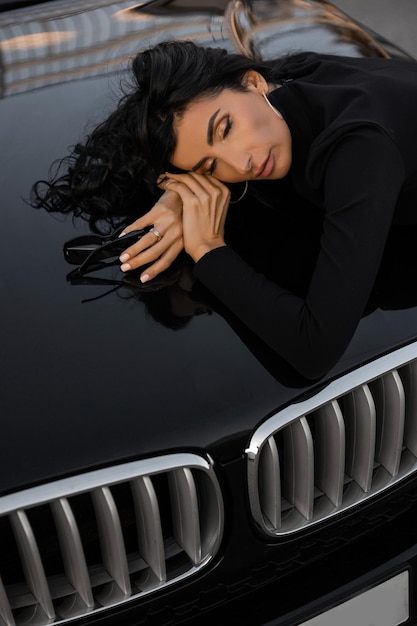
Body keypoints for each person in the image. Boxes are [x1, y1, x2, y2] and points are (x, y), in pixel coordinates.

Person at [32, 40, 417, 379]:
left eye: (225, 128)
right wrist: (177, 195)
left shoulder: (360, 149)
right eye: (209, 168)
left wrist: (208, 250)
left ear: (252, 82)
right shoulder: (287, 80)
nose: (241, 164)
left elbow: (311, 352)